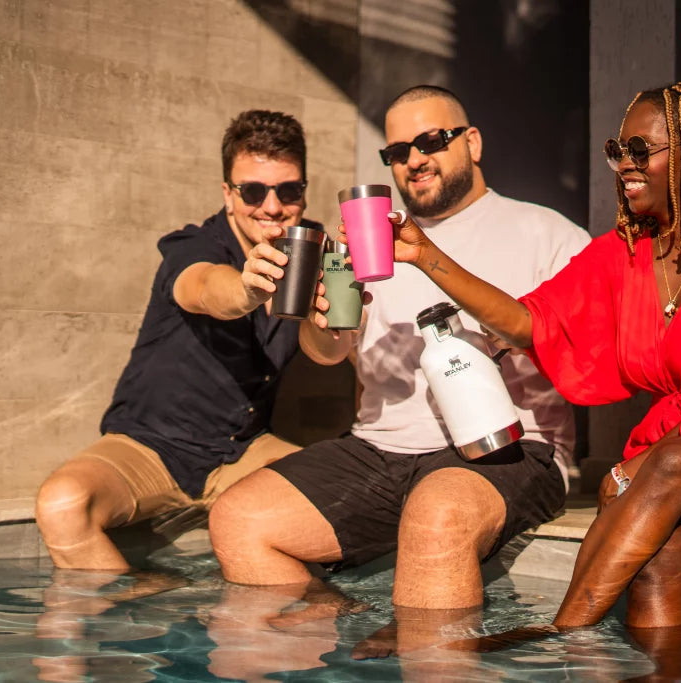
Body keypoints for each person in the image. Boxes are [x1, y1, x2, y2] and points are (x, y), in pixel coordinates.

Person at [362, 83, 681, 638]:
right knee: (653, 578)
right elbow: (530, 322)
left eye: (642, 152)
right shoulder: (629, 250)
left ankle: (554, 637)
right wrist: (425, 255)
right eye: (619, 152)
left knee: (659, 468)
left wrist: (635, 467)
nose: (625, 167)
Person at [208, 86, 591, 617]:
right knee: (238, 519)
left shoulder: (548, 234)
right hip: (380, 448)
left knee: (436, 514)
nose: (414, 159)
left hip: (511, 447)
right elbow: (326, 352)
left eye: (432, 140)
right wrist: (322, 322)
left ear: (472, 142)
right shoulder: (368, 245)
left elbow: (590, 345)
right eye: (397, 151)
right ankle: (334, 648)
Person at [35, 110, 315, 571]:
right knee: (63, 504)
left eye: (288, 190)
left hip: (241, 451)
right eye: (253, 190)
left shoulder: (311, 252)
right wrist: (247, 288)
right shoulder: (193, 247)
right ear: (228, 194)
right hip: (153, 446)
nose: (271, 206)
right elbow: (206, 289)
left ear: (302, 193)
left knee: (342, 493)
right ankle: (136, 610)